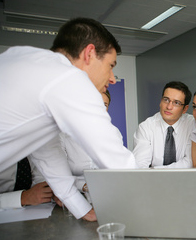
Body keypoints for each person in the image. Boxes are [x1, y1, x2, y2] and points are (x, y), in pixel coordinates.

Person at [0, 18, 136, 220]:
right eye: (110, 65)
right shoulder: (70, 77)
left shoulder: (24, 58)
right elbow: (117, 160)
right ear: (89, 53)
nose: (112, 78)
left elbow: (47, 153)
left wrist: (82, 209)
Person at [133, 81, 194, 168]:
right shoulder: (146, 127)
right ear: (161, 101)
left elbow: (190, 162)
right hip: (153, 180)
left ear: (185, 109)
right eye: (166, 100)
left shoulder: (192, 125)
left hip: (185, 179)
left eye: (176, 103)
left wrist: (156, 169)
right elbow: (140, 164)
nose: (169, 107)